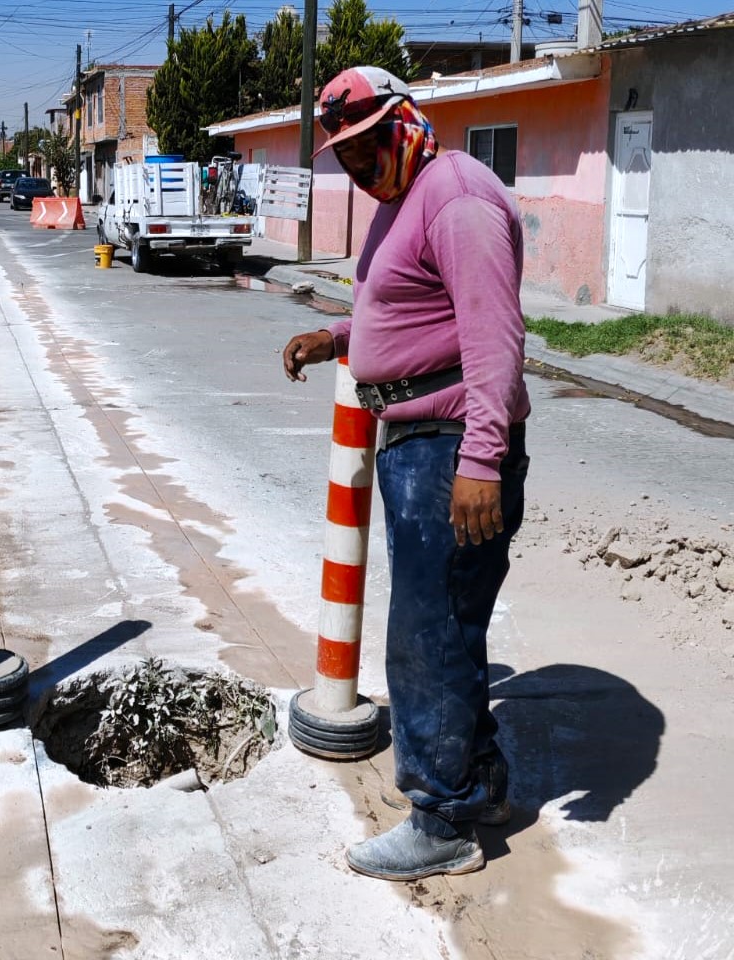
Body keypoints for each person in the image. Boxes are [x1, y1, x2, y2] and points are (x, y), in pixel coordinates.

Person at [282, 65, 531, 881]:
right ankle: (480, 787)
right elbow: (408, 307)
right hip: (422, 440)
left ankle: (441, 820)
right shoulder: (405, 202)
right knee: (451, 630)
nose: (359, 166)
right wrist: (340, 337)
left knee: (423, 640)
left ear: (406, 123)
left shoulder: (455, 197)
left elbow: (493, 338)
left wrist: (482, 459)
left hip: (450, 444)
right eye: (345, 157)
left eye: (369, 145)